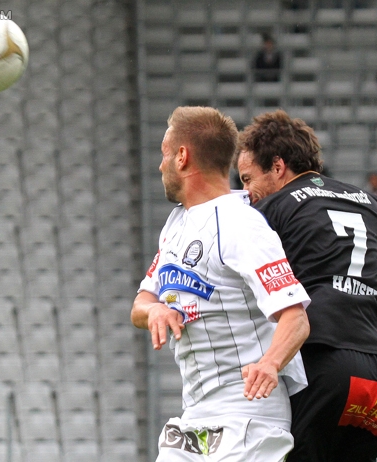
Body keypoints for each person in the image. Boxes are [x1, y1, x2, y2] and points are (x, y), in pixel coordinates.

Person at [236, 110, 377, 462]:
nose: (246, 193)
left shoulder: (270, 210)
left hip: (328, 363)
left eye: (247, 179)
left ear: (277, 166)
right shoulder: (372, 203)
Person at [131, 106, 312, 461]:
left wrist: (271, 364)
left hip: (247, 414)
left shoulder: (241, 225)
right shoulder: (176, 225)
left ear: (182, 156)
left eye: (164, 154)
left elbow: (296, 318)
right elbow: (141, 303)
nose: (160, 165)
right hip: (195, 417)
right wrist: (154, 310)